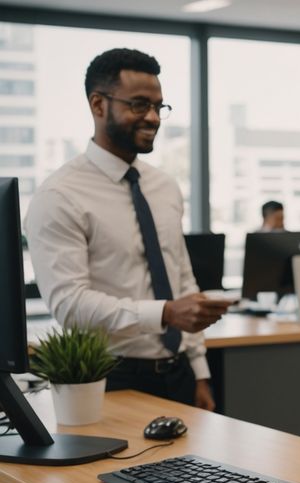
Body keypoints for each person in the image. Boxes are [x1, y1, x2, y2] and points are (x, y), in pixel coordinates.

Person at [25, 49, 233, 410]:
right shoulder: (59, 196)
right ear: (98, 104)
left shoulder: (165, 187)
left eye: (159, 106)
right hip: (111, 377)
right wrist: (165, 313)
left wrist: (199, 371)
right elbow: (69, 304)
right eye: (139, 105)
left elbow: (182, 279)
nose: (152, 117)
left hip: (179, 372)